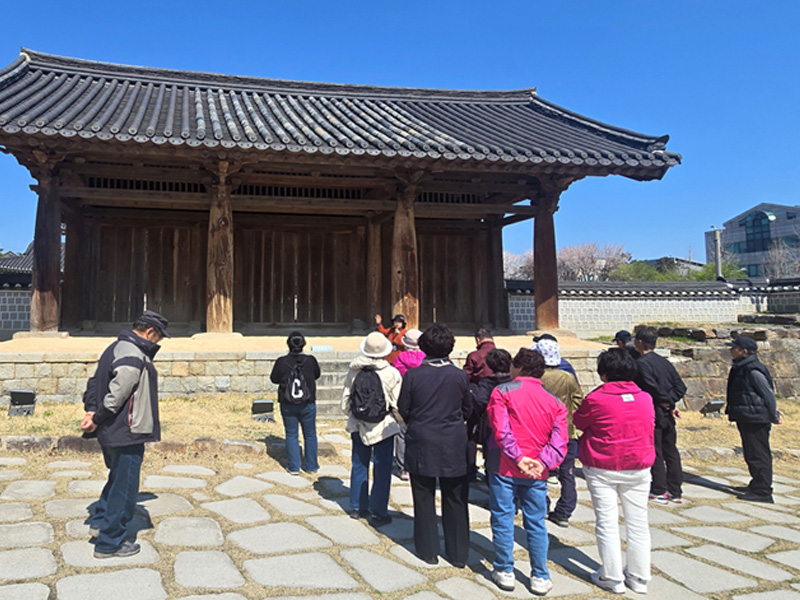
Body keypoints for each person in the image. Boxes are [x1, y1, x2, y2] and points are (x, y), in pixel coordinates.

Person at [80, 310, 168, 559]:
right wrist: (98, 416)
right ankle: (110, 542)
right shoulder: (133, 353)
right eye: (159, 337)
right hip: (127, 429)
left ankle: (100, 521)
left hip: (114, 428)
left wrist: (91, 410)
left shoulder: (114, 348)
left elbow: (94, 383)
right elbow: (118, 393)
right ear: (150, 332)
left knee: (117, 478)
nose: (158, 342)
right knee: (125, 487)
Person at [573, 348, 655, 595]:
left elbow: (579, 421)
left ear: (603, 373)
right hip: (638, 463)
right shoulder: (645, 397)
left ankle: (612, 575)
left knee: (607, 521)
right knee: (638, 521)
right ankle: (639, 576)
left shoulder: (597, 399)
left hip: (603, 465)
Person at [486, 348, 567, 596]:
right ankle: (540, 574)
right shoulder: (555, 401)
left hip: (506, 465)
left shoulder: (502, 392)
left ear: (518, 368)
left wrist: (518, 458)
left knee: (503, 517)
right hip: (537, 471)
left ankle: (504, 569)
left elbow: (501, 429)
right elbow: (559, 440)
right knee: (536, 522)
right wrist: (543, 462)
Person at [398, 324, 472, 567]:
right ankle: (458, 553)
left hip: (422, 440)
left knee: (423, 497)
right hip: (452, 441)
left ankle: (428, 550)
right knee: (455, 498)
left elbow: (404, 408)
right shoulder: (459, 376)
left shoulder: (413, 376)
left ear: (423, 347)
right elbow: (467, 409)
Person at [341, 331, 402, 526]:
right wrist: (400, 421)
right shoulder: (391, 372)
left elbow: (345, 401)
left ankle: (357, 506)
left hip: (359, 423)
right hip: (383, 425)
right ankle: (379, 510)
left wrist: (354, 414)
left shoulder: (354, 371)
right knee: (382, 468)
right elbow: (397, 403)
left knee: (359, 464)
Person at [725, 336, 783, 503]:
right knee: (751, 453)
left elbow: (768, 394)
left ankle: (763, 491)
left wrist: (773, 415)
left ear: (744, 351)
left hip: (756, 417)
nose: (731, 350)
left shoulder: (753, 370)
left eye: (734, 348)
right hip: (747, 415)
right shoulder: (741, 367)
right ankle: (756, 484)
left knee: (758, 454)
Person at [634, 327, 686, 504]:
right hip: (666, 412)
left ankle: (659, 489)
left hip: (654, 412)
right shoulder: (664, 362)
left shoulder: (642, 363)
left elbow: (651, 387)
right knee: (671, 451)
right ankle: (675, 489)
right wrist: (671, 403)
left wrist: (665, 402)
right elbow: (680, 387)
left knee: (657, 450)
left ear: (639, 342)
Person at [536, 338, 584, 528]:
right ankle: (565, 510)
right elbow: (578, 400)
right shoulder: (567, 377)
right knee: (567, 473)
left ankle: (542, 505)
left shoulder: (537, 377)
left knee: (541, 471)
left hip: (542, 431)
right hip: (566, 431)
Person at [270, 331, 321, 475]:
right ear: (303, 344)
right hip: (307, 402)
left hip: (288, 403)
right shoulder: (311, 360)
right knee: (310, 434)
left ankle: (294, 466)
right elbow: (317, 375)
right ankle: (311, 465)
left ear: (289, 344)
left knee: (291, 434)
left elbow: (274, 379)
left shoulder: (282, 361)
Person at [469, 348, 513, 479]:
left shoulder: (486, 383)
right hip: (513, 422)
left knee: (491, 455)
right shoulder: (514, 382)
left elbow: (479, 401)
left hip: (491, 424)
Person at [392, 328, 424, 481]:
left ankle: (404, 467)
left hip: (404, 397)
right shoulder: (426, 359)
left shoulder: (399, 359)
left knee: (402, 433)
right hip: (423, 398)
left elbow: (395, 377)